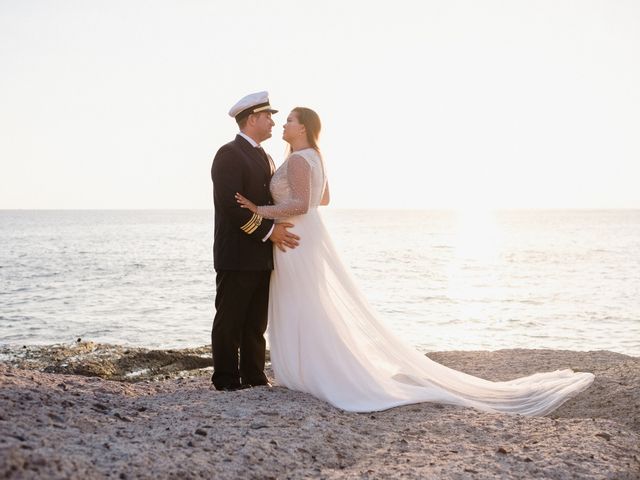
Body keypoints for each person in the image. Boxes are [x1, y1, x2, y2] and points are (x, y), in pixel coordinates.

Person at [235, 107, 594, 415]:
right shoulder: (314, 157)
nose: (283, 125)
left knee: (303, 302)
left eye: (290, 120)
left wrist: (258, 209)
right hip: (306, 235)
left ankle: (313, 371)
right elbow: (323, 200)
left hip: (296, 237)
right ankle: (313, 367)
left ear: (304, 127)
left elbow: (300, 204)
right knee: (309, 302)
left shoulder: (298, 158)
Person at [210, 91, 300, 391]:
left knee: (255, 324)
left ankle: (254, 377)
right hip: (236, 254)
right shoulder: (229, 154)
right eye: (268, 117)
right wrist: (269, 231)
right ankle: (225, 379)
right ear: (252, 119)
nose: (273, 122)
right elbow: (231, 205)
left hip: (261, 255)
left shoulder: (266, 156)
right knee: (230, 319)